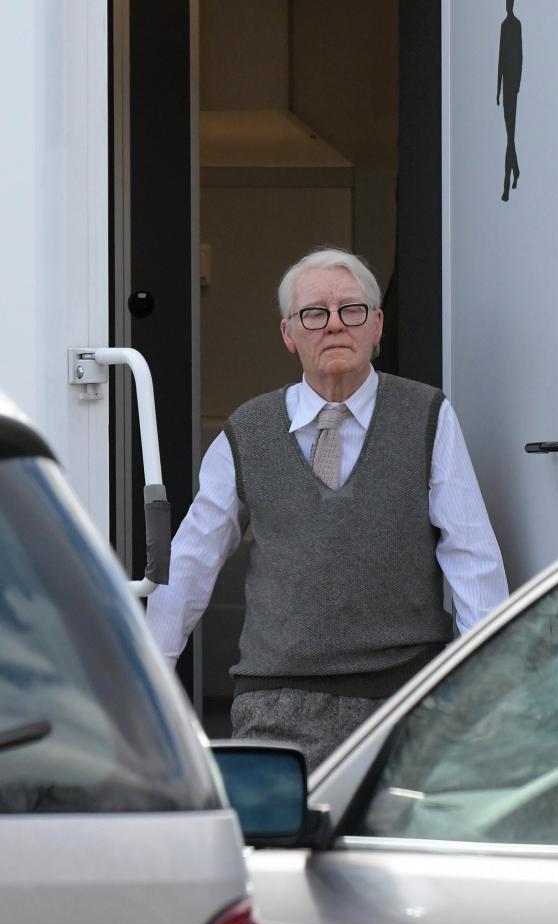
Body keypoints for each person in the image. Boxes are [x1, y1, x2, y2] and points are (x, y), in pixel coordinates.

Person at [147, 247, 508, 770]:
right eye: (314, 313)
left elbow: (471, 555)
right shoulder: (248, 430)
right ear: (288, 333)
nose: (335, 324)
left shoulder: (426, 415)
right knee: (277, 826)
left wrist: (489, 686)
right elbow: (191, 561)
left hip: (403, 696)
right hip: (276, 700)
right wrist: (147, 678)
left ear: (376, 325)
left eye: (351, 310)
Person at [497, 0, 523, 202]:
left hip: (512, 86)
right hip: (507, 87)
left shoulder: (516, 25)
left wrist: (518, 84)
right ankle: (516, 169)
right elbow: (500, 58)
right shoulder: (504, 26)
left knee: (510, 135)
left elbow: (520, 56)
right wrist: (498, 89)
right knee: (509, 135)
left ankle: (506, 186)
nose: (508, 5)